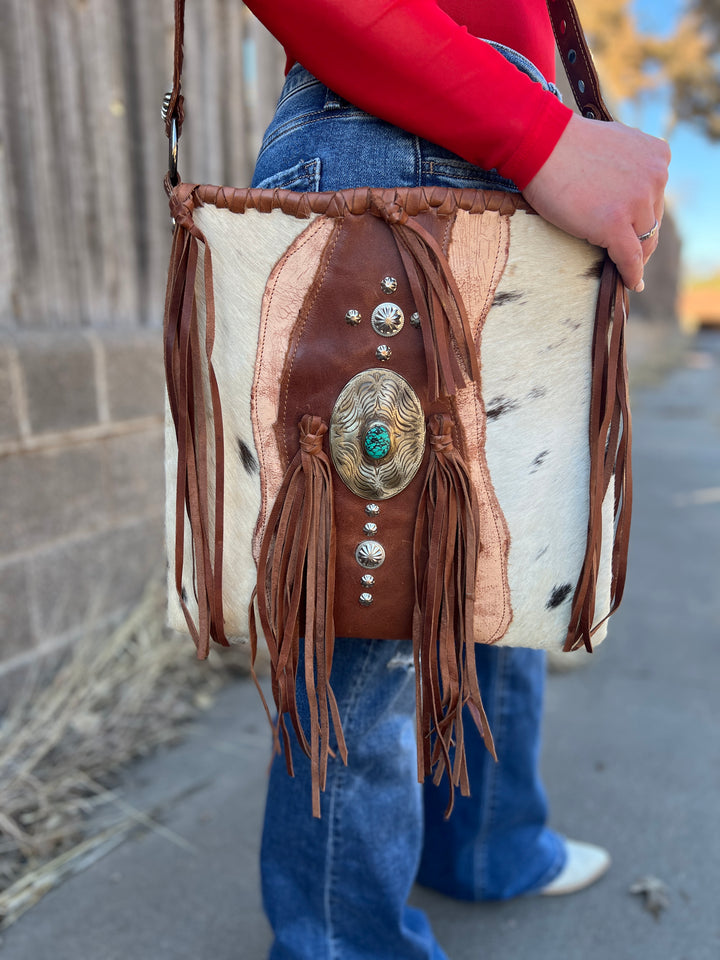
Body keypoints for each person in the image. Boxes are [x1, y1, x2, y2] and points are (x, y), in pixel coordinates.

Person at [243, 2, 670, 958]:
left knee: (501, 553)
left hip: (495, 143)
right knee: (370, 600)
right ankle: (342, 944)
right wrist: (541, 133)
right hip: (399, 132)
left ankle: (488, 841)